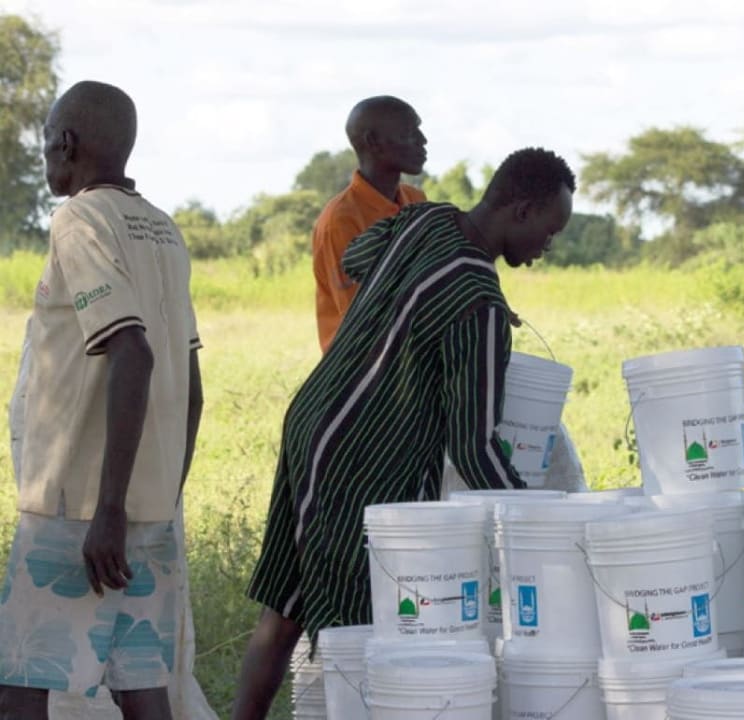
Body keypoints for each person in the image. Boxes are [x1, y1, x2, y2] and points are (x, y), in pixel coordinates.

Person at [231, 147, 576, 719]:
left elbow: (358, 257)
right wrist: (539, 523)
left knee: (286, 606)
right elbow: (473, 449)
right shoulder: (479, 305)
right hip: (364, 452)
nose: (549, 245)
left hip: (316, 418)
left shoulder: (427, 219)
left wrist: (411, 301)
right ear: (522, 208)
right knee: (363, 620)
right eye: (550, 228)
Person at [0, 81, 203, 720]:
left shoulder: (79, 219)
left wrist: (106, 508)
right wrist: (161, 496)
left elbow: (132, 352)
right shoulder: (162, 230)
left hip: (76, 506)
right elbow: (191, 384)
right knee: (140, 683)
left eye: (45, 143)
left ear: (66, 142)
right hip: (147, 508)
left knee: (19, 683)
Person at [313, 96, 428, 353]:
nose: (423, 141)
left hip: (409, 354)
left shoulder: (415, 200)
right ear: (373, 143)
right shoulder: (340, 221)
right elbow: (363, 319)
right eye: (410, 133)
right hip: (361, 367)